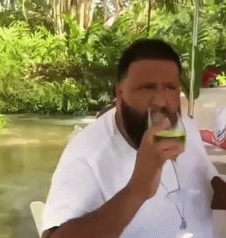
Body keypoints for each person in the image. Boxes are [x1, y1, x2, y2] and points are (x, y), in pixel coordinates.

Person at [42, 39, 225, 238]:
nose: (161, 101)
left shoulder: (185, 127)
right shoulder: (88, 150)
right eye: (147, 88)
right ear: (120, 93)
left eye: (170, 87)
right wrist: (137, 189)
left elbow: (211, 182)